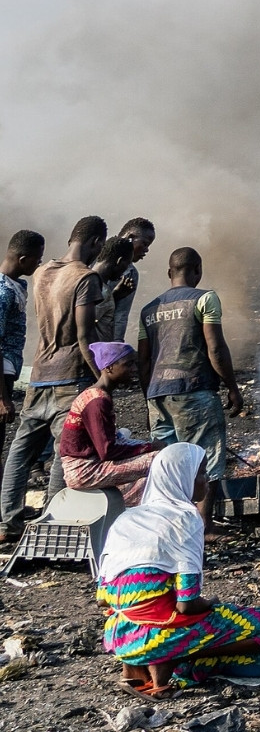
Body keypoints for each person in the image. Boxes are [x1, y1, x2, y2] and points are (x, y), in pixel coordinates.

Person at [98, 443, 260, 695]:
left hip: (119, 634)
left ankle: (135, 668)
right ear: (181, 477)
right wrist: (210, 603)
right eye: (202, 472)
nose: (207, 480)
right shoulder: (185, 518)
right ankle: (171, 658)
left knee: (153, 605)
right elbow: (187, 604)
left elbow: (102, 598)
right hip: (160, 634)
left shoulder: (126, 518)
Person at [0, 215, 109, 536]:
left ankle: (8, 522)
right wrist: (101, 378)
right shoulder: (85, 277)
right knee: (66, 451)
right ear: (96, 243)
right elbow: (84, 335)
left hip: (39, 375)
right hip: (70, 375)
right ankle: (52, 523)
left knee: (20, 451)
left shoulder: (42, 272)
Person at [134, 248, 245, 521]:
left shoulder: (148, 310)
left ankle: (168, 522)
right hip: (194, 390)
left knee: (166, 463)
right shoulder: (205, 299)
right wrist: (232, 387)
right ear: (198, 270)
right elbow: (216, 348)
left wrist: (148, 400)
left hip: (158, 395)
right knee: (204, 458)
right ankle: (204, 526)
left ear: (169, 273)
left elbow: (143, 361)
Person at [59, 342, 161, 504]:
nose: (134, 369)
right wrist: (148, 447)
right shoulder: (97, 401)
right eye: (128, 364)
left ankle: (133, 501)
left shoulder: (95, 394)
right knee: (161, 460)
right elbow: (107, 451)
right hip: (84, 470)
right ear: (109, 368)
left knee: (143, 448)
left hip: (87, 463)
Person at [0, 231, 45, 435]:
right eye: (38, 259)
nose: (39, 263)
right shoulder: (4, 292)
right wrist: (2, 398)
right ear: (23, 259)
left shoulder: (15, 286)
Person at [107, 218, 156, 343]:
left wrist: (117, 344)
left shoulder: (131, 274)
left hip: (104, 340)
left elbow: (121, 314)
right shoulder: (94, 259)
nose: (147, 250)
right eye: (144, 244)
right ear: (130, 237)